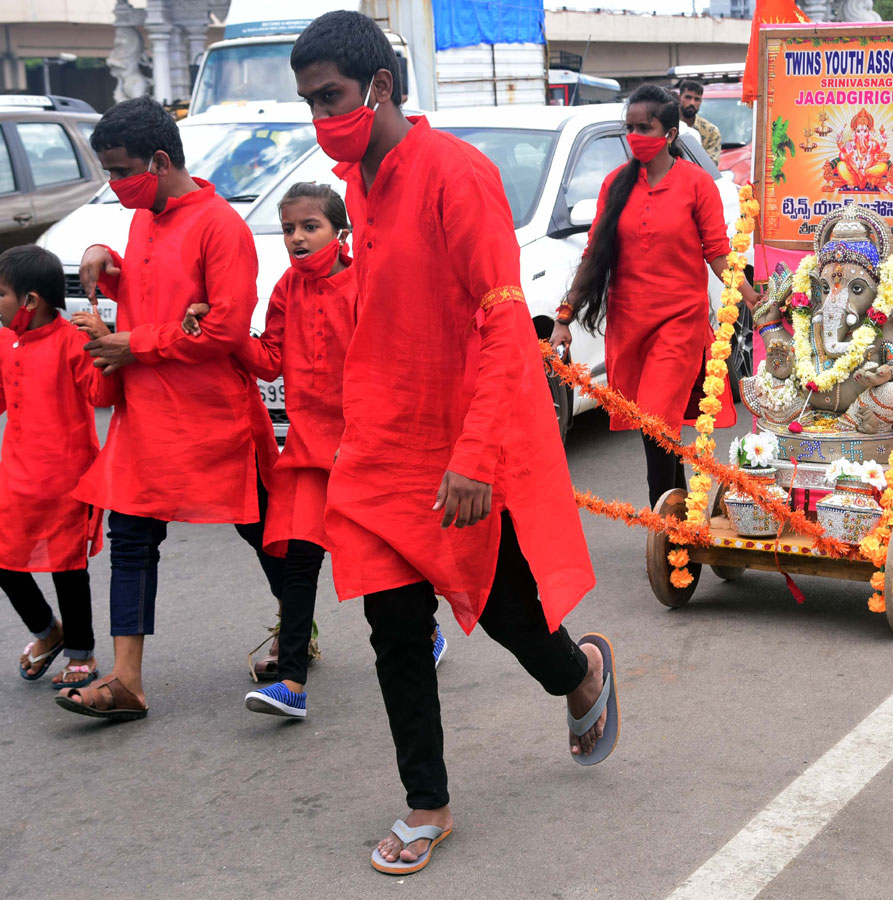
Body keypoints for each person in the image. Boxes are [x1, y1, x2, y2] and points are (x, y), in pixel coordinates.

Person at [290, 10, 618, 874]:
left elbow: (505, 323)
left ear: (381, 88)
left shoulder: (455, 174)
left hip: (459, 447)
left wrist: (475, 454)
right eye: (311, 102)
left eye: (332, 97)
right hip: (380, 449)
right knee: (395, 628)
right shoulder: (360, 183)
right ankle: (425, 803)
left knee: (510, 611)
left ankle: (579, 674)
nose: (323, 117)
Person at [54, 96, 284, 721]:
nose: (114, 183)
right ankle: (126, 678)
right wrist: (114, 270)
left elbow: (228, 328)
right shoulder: (143, 219)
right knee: (130, 537)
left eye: (121, 169)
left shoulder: (221, 227)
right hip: (146, 415)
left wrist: (135, 343)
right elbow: (164, 298)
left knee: (267, 533)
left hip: (213, 419)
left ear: (158, 160)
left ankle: (297, 631)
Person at [183, 183, 447, 718]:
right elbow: (269, 360)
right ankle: (292, 685)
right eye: (288, 229)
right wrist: (224, 329)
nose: (298, 238)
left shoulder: (366, 281)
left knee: (392, 555)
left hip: (368, 447)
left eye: (310, 226)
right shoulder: (285, 288)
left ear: (340, 231)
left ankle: (429, 629)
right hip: (307, 448)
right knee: (301, 559)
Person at [552, 84, 756, 506]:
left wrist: (753, 297)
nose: (634, 136)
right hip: (629, 324)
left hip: (679, 322)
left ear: (669, 132)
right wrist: (564, 317)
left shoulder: (697, 184)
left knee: (656, 417)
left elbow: (717, 252)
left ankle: (663, 526)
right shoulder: (616, 184)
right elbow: (593, 255)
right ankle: (673, 514)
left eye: (644, 127)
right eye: (629, 127)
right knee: (655, 425)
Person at [0, 246, 118, 689]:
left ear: (30, 301)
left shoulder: (72, 341)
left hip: (68, 479)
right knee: (5, 559)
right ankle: (47, 631)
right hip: (15, 477)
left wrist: (102, 342)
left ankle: (80, 651)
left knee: (67, 566)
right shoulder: (5, 343)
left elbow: (102, 397)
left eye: (1, 295)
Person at [678, 80, 722, 166]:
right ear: (680, 97)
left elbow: (710, 166)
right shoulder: (668, 125)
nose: (692, 103)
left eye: (696, 99)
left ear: (701, 101)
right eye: (688, 97)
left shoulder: (711, 132)